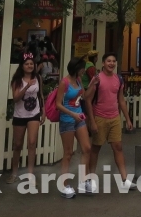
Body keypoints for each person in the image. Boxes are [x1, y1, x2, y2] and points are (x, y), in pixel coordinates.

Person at [83, 52, 133, 194]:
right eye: (108, 61)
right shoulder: (97, 79)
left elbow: (121, 100)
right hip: (99, 117)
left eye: (113, 61)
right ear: (103, 63)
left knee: (118, 147)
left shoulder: (119, 79)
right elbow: (88, 99)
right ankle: (91, 180)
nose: (111, 63)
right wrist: (92, 121)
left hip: (114, 117)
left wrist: (127, 119)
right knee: (96, 148)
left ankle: (124, 179)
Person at [56, 57, 92, 199]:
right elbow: (58, 104)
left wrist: (93, 84)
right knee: (68, 153)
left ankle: (83, 181)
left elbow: (84, 96)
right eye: (82, 68)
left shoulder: (78, 80)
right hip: (67, 120)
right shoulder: (64, 82)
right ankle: (63, 185)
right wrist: (72, 114)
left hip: (79, 118)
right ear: (76, 68)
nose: (84, 70)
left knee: (86, 148)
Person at [8, 53, 42, 184]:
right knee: (17, 145)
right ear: (22, 66)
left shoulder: (38, 77)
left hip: (34, 113)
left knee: (32, 143)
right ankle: (14, 173)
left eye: (31, 64)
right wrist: (27, 87)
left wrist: (43, 111)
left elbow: (40, 95)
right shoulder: (17, 80)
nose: (29, 66)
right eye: (27, 64)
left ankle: (30, 174)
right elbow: (15, 98)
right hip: (20, 114)